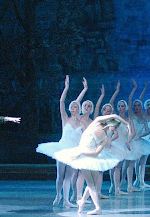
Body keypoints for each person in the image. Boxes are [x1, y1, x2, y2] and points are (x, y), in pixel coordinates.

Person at [55, 114, 130, 215]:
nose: (116, 129)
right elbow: (114, 115)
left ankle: (81, 201)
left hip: (92, 158)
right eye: (116, 126)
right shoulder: (97, 122)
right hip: (83, 158)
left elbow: (95, 153)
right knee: (91, 184)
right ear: (111, 123)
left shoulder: (105, 138)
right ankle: (98, 208)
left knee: (93, 184)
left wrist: (82, 152)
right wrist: (127, 124)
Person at [36, 75, 87, 207]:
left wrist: (84, 89)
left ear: (78, 109)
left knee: (69, 177)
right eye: (72, 107)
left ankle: (66, 201)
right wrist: (66, 87)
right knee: (60, 175)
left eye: (75, 107)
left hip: (73, 151)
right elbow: (61, 102)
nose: (73, 108)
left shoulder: (81, 122)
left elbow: (77, 102)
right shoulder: (65, 118)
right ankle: (58, 194)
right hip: (62, 148)